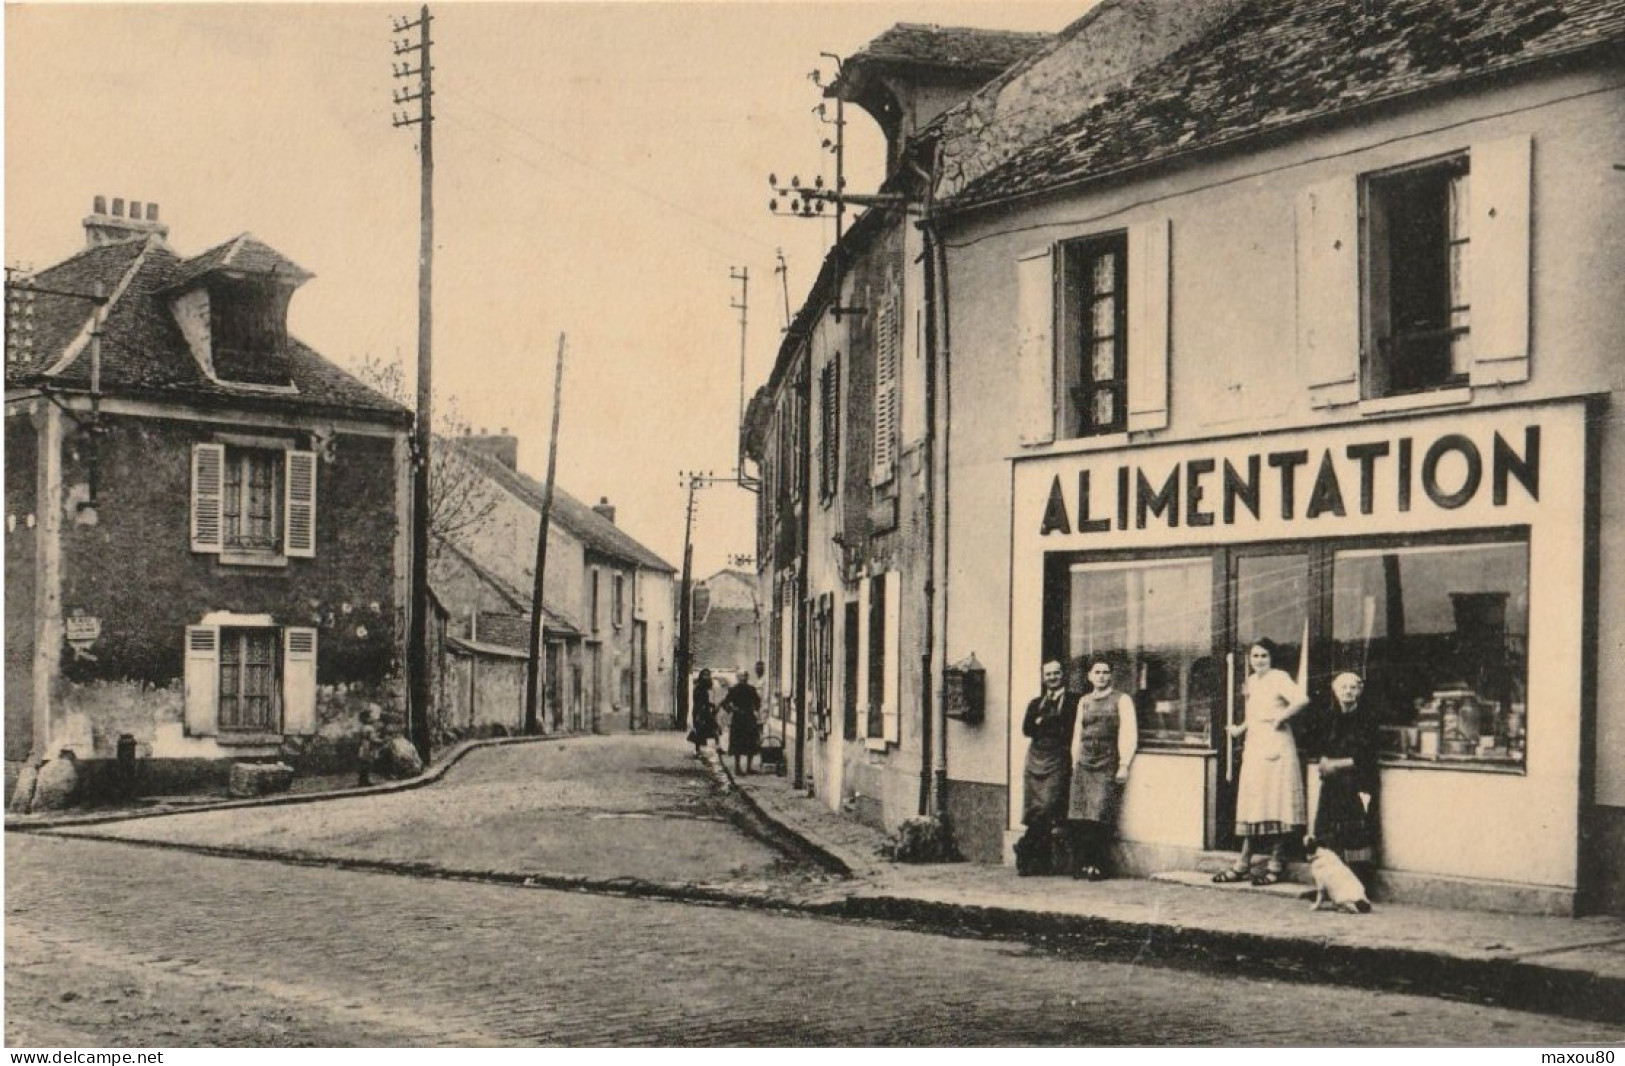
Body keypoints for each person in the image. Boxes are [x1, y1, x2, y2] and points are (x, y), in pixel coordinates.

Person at [1215, 639, 1309, 886]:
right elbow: (1255, 714)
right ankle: (1243, 864)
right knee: (1255, 804)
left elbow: (1301, 700)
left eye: (1264, 656)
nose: (1259, 660)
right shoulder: (1252, 682)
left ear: (1272, 658)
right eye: (1255, 656)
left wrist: (1280, 717)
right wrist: (1239, 729)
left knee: (1275, 803)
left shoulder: (1279, 677)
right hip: (1255, 744)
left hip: (1276, 746)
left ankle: (1276, 864)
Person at [1304, 671, 1380, 892]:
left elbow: (1365, 756)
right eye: (1343, 688)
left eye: (1353, 688)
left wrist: (1334, 764)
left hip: (1357, 784)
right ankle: (1330, 886)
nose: (1348, 692)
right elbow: (1319, 747)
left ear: (1359, 691)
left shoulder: (1367, 719)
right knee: (1327, 833)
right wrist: (1324, 761)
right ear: (1335, 691)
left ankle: (1358, 887)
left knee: (1355, 834)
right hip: (1332, 784)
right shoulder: (1329, 717)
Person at [1065, 659, 1137, 881]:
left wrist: (1124, 764)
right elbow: (1078, 732)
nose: (1102, 676)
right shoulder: (1084, 701)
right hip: (1084, 762)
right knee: (1081, 816)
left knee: (1100, 815)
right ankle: (1083, 864)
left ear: (1111, 676)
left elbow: (1128, 732)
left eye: (1106, 672)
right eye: (1097, 672)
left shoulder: (1122, 700)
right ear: (1089, 676)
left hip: (1107, 761)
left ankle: (1099, 865)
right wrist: (1074, 761)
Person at [1016, 660, 1080, 876]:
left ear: (1063, 675)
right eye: (1048, 674)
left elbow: (1068, 728)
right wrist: (1045, 723)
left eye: (1056, 673)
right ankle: (1037, 862)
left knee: (1049, 805)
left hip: (1058, 758)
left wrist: (1042, 723)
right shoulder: (1035, 703)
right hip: (1035, 759)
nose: (1052, 677)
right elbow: (1026, 728)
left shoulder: (1073, 701)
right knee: (1036, 808)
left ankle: (1025, 849)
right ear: (1043, 677)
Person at [722, 672, 762, 775]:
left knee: (751, 742)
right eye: (741, 676)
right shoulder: (733, 690)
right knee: (737, 743)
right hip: (738, 719)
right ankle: (737, 767)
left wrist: (755, 708)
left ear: (747, 678)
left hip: (749, 718)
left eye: (745, 676)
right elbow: (725, 703)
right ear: (737, 678)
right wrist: (732, 709)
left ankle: (749, 767)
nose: (743, 678)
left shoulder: (751, 689)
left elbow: (757, 702)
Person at [688, 669, 717, 756]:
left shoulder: (706, 687)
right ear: (701, 676)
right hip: (699, 710)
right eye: (704, 675)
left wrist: (711, 705)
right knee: (699, 730)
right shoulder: (699, 687)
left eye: (708, 675)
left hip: (705, 710)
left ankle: (717, 747)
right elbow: (698, 701)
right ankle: (697, 750)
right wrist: (700, 712)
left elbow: (706, 700)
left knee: (713, 728)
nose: (706, 677)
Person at [356, 704, 381, 787]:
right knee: (367, 765)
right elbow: (372, 739)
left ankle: (362, 780)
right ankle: (365, 781)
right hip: (367, 748)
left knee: (364, 765)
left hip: (363, 747)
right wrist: (380, 740)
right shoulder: (369, 728)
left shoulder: (363, 727)